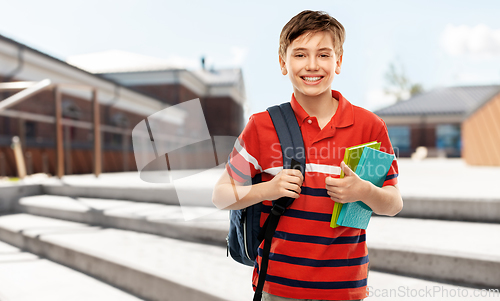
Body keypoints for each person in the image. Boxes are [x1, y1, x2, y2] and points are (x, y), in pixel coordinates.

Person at [212, 10, 402, 301]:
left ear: (338, 62)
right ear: (283, 63)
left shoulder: (370, 127)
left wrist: (363, 190)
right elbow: (221, 196)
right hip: (277, 288)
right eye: (300, 54)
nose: (312, 65)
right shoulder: (261, 126)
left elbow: (393, 203)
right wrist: (269, 189)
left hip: (345, 289)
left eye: (323, 55)